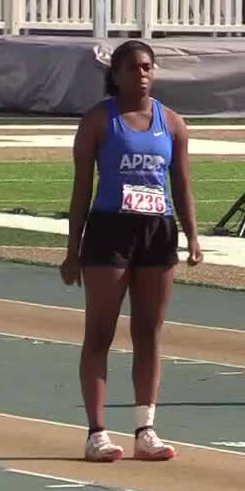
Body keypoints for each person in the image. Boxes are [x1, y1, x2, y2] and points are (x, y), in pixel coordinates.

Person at [60, 40, 203, 463]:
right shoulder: (98, 121)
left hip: (157, 230)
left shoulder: (173, 123)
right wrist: (73, 249)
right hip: (109, 230)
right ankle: (97, 432)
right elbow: (82, 187)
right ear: (116, 74)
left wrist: (193, 236)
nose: (141, 74)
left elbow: (182, 184)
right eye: (132, 68)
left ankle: (146, 428)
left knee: (149, 332)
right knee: (100, 334)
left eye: (147, 67)